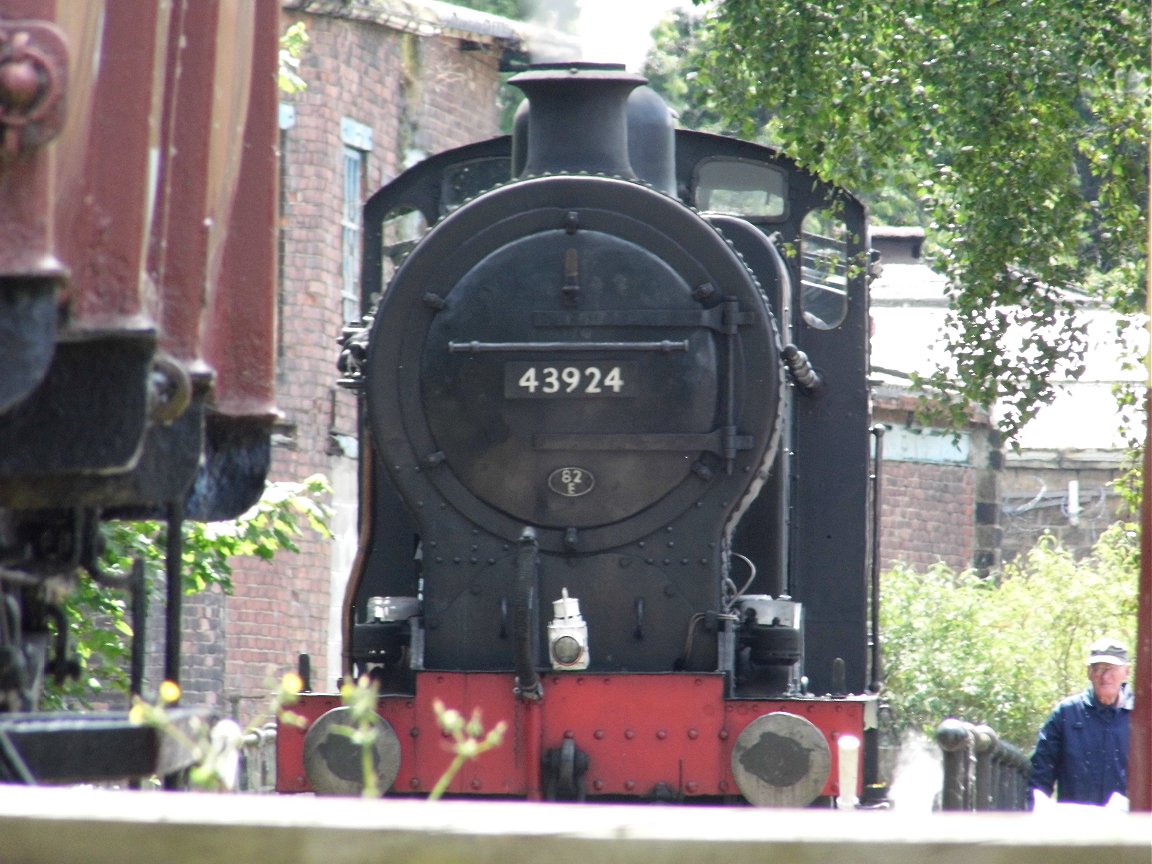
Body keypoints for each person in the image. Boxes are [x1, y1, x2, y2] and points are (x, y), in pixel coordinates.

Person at [1029, 637, 1133, 807]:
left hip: (1129, 827)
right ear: (1089, 673)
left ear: (1126, 672)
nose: (1105, 676)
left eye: (1111, 669)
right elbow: (1040, 776)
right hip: (1076, 826)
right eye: (1098, 669)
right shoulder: (1066, 714)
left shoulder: (1143, 719)